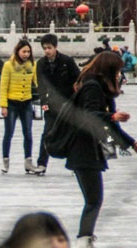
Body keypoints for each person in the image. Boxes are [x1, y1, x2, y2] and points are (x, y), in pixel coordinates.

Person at [67, 51, 137, 248]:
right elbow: (88, 116)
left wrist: (132, 143)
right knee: (94, 200)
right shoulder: (92, 86)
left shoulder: (98, 87)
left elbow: (111, 126)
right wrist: (112, 115)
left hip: (89, 149)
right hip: (83, 149)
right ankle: (82, 244)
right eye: (118, 70)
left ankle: (85, 242)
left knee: (93, 199)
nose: (119, 75)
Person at [35, 34, 81, 175]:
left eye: (49, 48)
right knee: (47, 133)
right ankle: (42, 163)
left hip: (68, 103)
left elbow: (78, 80)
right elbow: (41, 86)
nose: (47, 51)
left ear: (55, 47)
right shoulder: (41, 64)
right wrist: (44, 103)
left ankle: (75, 163)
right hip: (51, 104)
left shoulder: (67, 61)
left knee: (72, 133)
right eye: (44, 48)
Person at [0, 40, 39, 174]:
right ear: (18, 51)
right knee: (8, 133)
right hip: (11, 104)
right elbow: (3, 87)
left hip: (26, 103)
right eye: (24, 51)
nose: (26, 54)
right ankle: (5, 160)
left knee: (28, 133)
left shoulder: (32, 65)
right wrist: (3, 106)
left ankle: (28, 162)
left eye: (28, 52)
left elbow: (38, 82)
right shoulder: (8, 65)